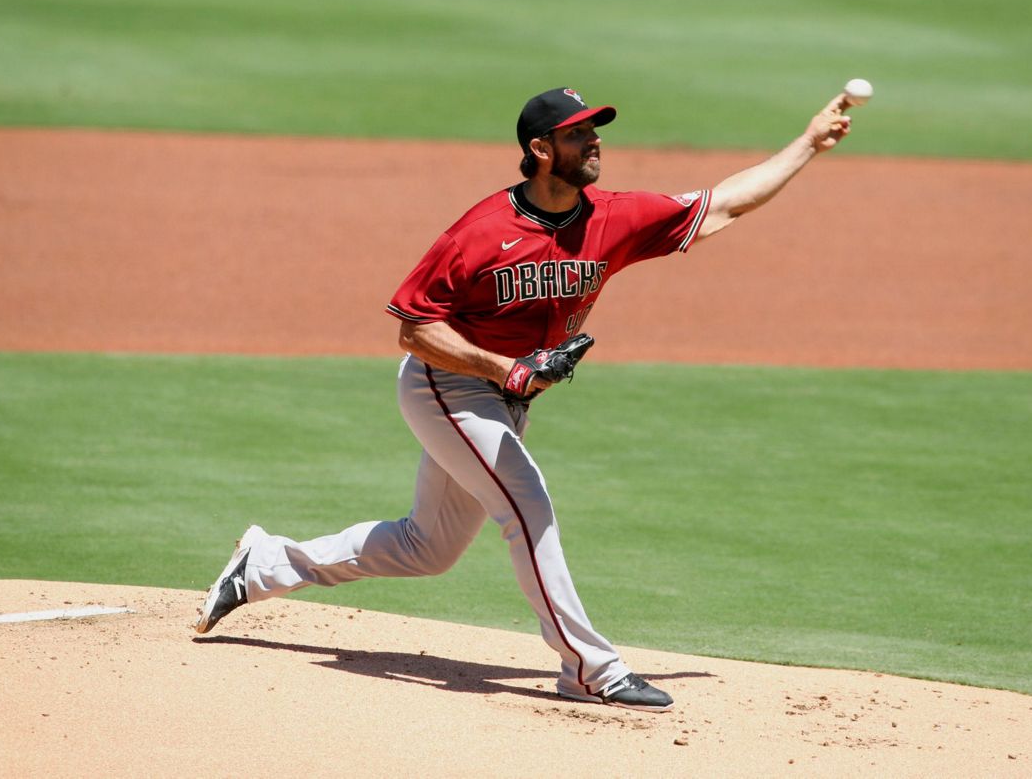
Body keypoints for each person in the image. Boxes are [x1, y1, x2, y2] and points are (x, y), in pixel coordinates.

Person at [195, 86, 854, 712]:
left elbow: (723, 206)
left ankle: (266, 563)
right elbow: (414, 327)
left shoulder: (610, 217)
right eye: (579, 133)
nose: (595, 141)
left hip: (504, 399)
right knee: (526, 503)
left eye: (595, 130)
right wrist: (504, 368)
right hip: (444, 386)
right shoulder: (482, 231)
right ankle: (589, 669)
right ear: (542, 149)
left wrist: (808, 143)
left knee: (429, 547)